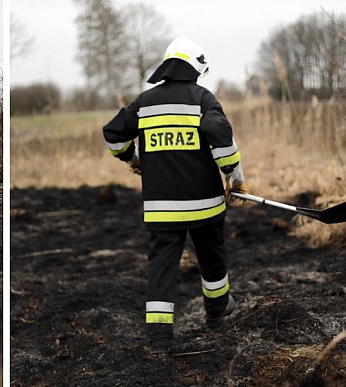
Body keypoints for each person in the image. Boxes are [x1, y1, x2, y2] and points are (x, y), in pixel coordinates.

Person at [102, 37, 247, 355]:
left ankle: (159, 342)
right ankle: (218, 314)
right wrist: (234, 177)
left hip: (161, 209)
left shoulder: (143, 103)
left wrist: (132, 159)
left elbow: (113, 135)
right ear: (195, 68)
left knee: (161, 270)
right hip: (205, 206)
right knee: (212, 260)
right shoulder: (203, 99)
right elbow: (221, 137)